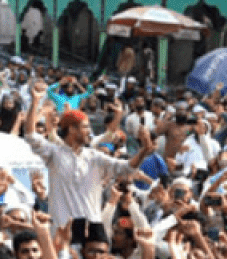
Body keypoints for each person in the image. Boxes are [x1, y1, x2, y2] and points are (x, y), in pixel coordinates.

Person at [23, 78, 155, 234]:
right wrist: (35, 101)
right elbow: (31, 135)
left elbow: (126, 168)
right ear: (72, 130)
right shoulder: (54, 153)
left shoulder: (94, 157)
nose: (89, 131)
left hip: (92, 230)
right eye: (85, 127)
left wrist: (144, 151)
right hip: (62, 229)